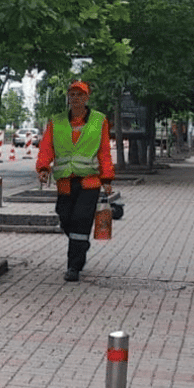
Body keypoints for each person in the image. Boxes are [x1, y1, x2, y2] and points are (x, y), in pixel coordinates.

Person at [35, 82, 114, 283]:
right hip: (65, 182)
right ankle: (81, 245)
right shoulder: (57, 121)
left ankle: (74, 266)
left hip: (90, 182)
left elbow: (104, 151)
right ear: (68, 97)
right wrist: (43, 168)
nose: (75, 98)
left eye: (80, 94)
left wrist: (107, 178)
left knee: (80, 220)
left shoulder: (99, 120)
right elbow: (47, 147)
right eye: (72, 94)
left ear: (87, 98)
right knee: (65, 218)